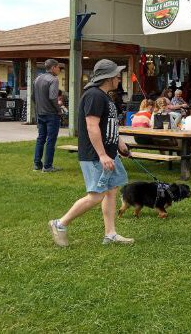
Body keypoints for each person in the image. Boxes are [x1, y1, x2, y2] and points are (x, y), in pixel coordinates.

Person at [48, 59, 134, 247]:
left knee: (111, 191)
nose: (119, 78)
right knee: (97, 194)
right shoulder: (94, 95)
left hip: (109, 153)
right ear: (108, 78)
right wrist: (102, 155)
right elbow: (92, 126)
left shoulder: (105, 96)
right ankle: (60, 223)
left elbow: (108, 125)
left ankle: (110, 234)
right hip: (96, 155)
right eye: (117, 75)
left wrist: (119, 143)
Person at [33, 58, 62, 172]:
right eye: (58, 67)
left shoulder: (37, 78)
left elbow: (33, 97)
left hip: (40, 113)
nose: (59, 69)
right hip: (51, 114)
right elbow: (53, 97)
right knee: (51, 140)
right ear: (53, 67)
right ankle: (48, 166)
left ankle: (37, 164)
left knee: (41, 138)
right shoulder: (53, 80)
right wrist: (59, 110)